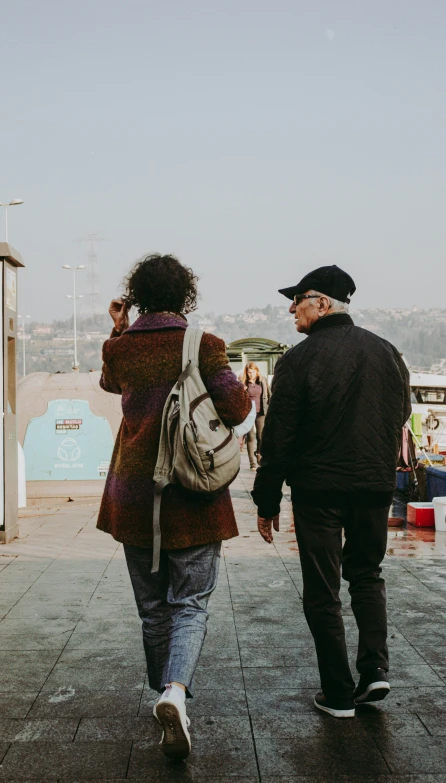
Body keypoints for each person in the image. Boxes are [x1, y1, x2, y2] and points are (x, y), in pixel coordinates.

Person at [97, 254, 251, 759]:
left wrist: (119, 330)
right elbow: (236, 409)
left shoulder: (120, 350)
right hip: (192, 494)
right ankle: (175, 693)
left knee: (151, 608)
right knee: (191, 602)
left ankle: (164, 693)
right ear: (185, 294)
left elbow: (109, 384)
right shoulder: (203, 344)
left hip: (133, 494)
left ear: (138, 293)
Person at [252, 265, 411, 718]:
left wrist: (267, 502)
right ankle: (376, 670)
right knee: (367, 575)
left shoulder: (299, 360)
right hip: (375, 488)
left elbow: (277, 440)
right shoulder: (387, 352)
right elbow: (401, 413)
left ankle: (339, 694)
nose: (290, 307)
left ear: (321, 304)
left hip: (319, 492)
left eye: (298, 298)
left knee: (323, 592)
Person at [240, 361, 271, 469]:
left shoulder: (262, 381)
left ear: (257, 371)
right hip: (248, 413)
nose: (251, 374)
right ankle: (252, 463)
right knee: (251, 436)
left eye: (253, 372)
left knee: (260, 436)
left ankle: (258, 454)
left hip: (261, 412)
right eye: (249, 372)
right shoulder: (243, 383)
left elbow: (269, 395)